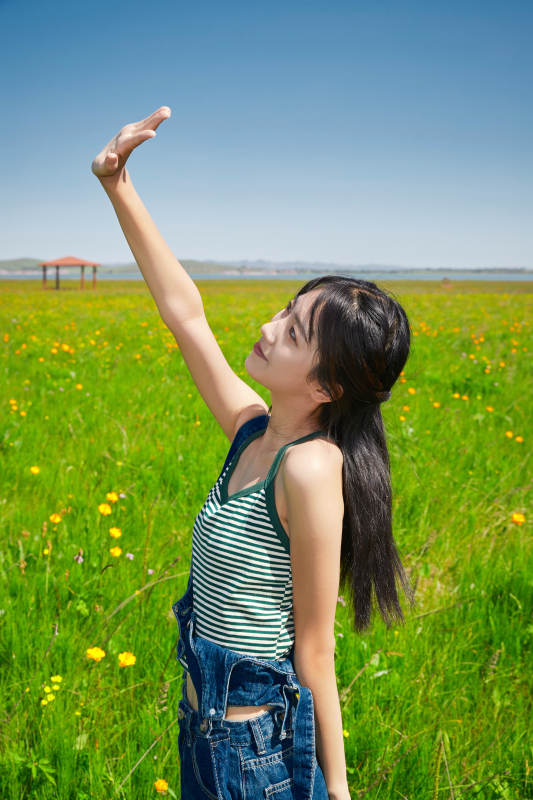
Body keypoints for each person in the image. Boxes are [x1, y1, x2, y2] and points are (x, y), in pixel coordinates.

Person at [92, 106, 416, 800]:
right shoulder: (254, 431)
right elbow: (185, 316)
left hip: (253, 751)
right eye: (283, 310)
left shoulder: (306, 467)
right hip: (200, 728)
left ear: (328, 385)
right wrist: (117, 185)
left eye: (293, 331)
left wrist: (337, 790)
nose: (268, 327)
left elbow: (315, 647)